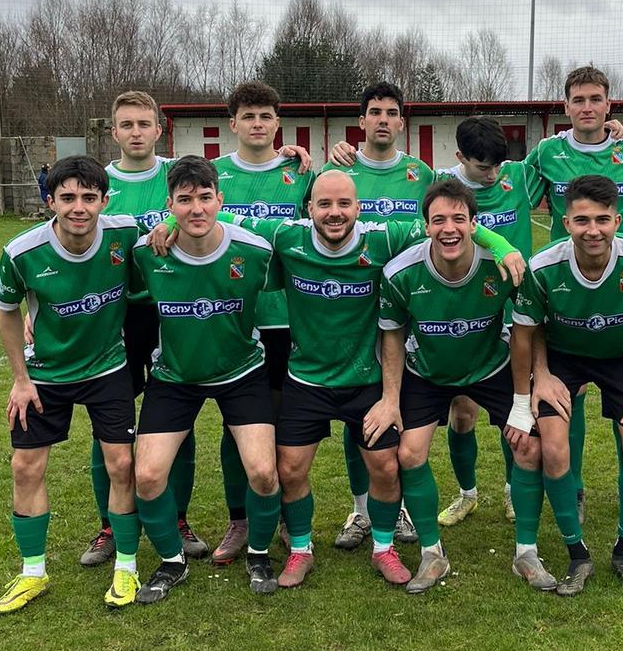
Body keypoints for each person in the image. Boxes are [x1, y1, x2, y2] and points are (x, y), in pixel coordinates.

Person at [217, 171, 521, 590]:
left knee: (386, 466)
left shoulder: (383, 238)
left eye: (344, 204)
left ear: (359, 207)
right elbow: (219, 218)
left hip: (367, 378)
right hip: (307, 377)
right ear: (309, 210)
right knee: (289, 468)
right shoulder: (287, 236)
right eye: (324, 204)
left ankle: (383, 548)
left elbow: (453, 223)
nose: (334, 213)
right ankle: (301, 549)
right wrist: (174, 223)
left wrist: (501, 246)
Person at [508, 175, 623, 593]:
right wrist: (541, 376)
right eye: (581, 220)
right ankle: (577, 555)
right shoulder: (543, 266)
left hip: (621, 357)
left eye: (603, 219)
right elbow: (528, 329)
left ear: (617, 220)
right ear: (565, 222)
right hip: (563, 360)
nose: (593, 230)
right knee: (552, 447)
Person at [129, 156, 283, 602]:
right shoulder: (147, 252)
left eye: (204, 198)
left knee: (263, 471)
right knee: (149, 476)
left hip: (241, 371)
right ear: (169, 205)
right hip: (175, 374)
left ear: (220, 199)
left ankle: (258, 553)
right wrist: (31, 316)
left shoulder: (255, 249)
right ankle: (171, 562)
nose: (195, 208)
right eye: (184, 200)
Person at [0, 157, 139, 614]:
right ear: (50, 200)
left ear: (104, 201)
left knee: (121, 464)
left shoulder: (126, 234)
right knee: (25, 468)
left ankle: (127, 566)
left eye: (89, 197)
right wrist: (20, 379)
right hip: (45, 375)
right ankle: (32, 573)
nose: (79, 207)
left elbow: (188, 209)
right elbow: (7, 310)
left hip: (108, 367)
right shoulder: (21, 252)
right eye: (69, 198)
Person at [377, 178, 534, 594]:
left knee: (530, 448)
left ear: (474, 224)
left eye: (459, 219)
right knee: (409, 454)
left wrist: (528, 394)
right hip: (426, 371)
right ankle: (432, 554)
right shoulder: (401, 272)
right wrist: (390, 398)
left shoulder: (501, 265)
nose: (449, 228)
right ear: (425, 225)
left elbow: (528, 326)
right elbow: (392, 335)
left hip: (490, 366)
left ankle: (527, 553)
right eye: (439, 220)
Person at [77, 90, 208, 567]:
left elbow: (226, 197)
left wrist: (295, 156)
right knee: (108, 423)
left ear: (159, 129)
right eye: (126, 125)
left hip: (173, 309)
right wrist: (34, 307)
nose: (136, 132)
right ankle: (111, 524)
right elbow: (65, 244)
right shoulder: (95, 182)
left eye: (144, 124)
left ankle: (177, 517)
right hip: (114, 315)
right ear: (113, 132)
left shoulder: (179, 177)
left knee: (176, 413)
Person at [520, 66, 623, 526]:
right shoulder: (547, 152)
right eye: (578, 100)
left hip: (619, 292)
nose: (588, 108)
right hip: (564, 295)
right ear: (566, 106)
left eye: (596, 99)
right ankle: (570, 487)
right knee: (563, 408)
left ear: (609, 105)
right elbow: (505, 184)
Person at [206, 81, 314, 567]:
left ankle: (291, 521)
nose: (256, 123)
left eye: (265, 116)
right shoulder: (213, 174)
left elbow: (336, 210)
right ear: (232, 124)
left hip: (287, 318)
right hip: (231, 317)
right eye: (247, 115)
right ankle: (241, 520)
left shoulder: (301, 171)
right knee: (237, 425)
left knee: (285, 425)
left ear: (277, 124)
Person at [326, 83, 436, 550]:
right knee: (359, 416)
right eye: (375, 112)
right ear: (362, 121)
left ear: (402, 122)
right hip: (352, 308)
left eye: (392, 112)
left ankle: (401, 506)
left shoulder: (421, 173)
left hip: (408, 306)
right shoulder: (337, 170)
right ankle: (361, 509)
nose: (384, 120)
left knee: (403, 410)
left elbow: (444, 223)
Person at [436, 116, 539, 527]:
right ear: (460, 157)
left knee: (515, 410)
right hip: (466, 312)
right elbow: (440, 225)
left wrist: (614, 131)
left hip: (517, 313)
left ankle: (514, 492)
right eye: (483, 167)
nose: (494, 174)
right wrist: (498, 243)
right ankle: (467, 494)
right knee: (462, 412)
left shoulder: (519, 175)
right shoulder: (442, 185)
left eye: (499, 164)